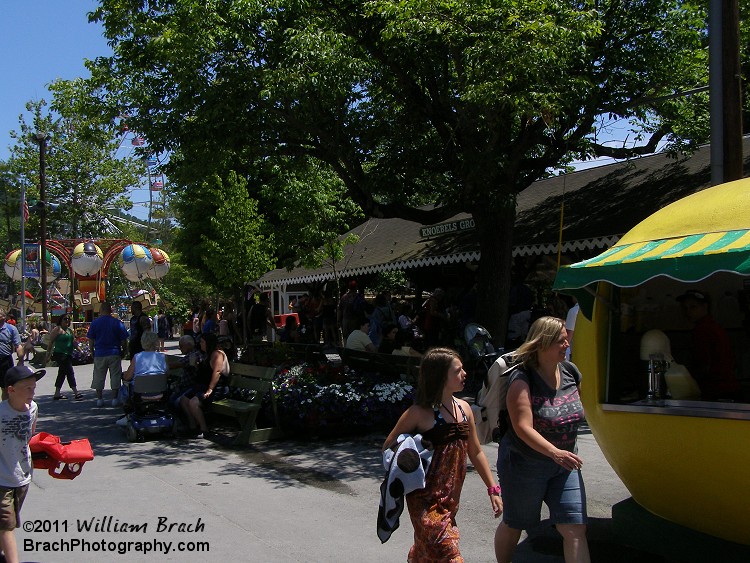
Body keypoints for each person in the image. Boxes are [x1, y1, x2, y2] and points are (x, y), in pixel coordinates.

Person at [383, 347, 502, 560]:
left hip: (450, 497)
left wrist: (492, 488)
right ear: (439, 377)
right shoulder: (419, 413)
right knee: (446, 549)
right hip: (423, 496)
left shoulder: (465, 409)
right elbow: (389, 447)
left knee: (428, 551)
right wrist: (412, 451)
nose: (464, 374)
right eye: (457, 371)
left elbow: (475, 452)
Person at [494, 316, 589, 563]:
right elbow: (522, 427)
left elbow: (578, 407)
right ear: (543, 344)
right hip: (524, 464)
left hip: (566, 464)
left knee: (575, 529)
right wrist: (553, 451)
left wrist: (561, 454)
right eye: (560, 341)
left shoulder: (571, 372)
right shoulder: (522, 379)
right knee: (516, 523)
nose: (567, 343)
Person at [0, 364, 43, 563]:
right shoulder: (1, 413)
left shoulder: (33, 408)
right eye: (27, 388)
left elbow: (29, 436)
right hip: (2, 477)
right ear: (11, 390)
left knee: (8, 523)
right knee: (6, 526)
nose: (32, 392)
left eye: (34, 388)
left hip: (22, 476)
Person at [677, 289, 741, 400]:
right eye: (685, 308)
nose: (688, 312)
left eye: (693, 307)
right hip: (726, 388)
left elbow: (703, 363)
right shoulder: (713, 327)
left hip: (717, 391)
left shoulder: (703, 330)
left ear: (705, 307)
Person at [180, 333, 230, 439]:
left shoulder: (217, 354)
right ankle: (193, 426)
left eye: (202, 341)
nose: (200, 343)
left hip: (217, 389)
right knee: (184, 400)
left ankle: (204, 429)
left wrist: (210, 389)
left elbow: (217, 372)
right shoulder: (207, 354)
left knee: (193, 402)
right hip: (204, 386)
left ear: (208, 343)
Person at [87, 301, 129, 408]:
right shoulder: (117, 322)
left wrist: (91, 350)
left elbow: (91, 339)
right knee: (115, 375)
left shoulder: (95, 323)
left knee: (99, 376)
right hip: (114, 352)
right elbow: (124, 340)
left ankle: (99, 399)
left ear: (101, 310)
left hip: (100, 352)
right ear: (110, 310)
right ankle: (114, 398)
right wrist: (124, 350)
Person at [45, 315, 83, 401]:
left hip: (68, 354)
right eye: (65, 319)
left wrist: (80, 350)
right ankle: (76, 393)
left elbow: (73, 342)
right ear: (61, 320)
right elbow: (50, 343)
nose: (67, 321)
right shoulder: (57, 329)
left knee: (62, 373)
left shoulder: (69, 331)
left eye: (69, 319)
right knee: (70, 372)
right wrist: (47, 355)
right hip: (60, 354)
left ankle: (57, 393)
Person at [0, 307, 25, 401]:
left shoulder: (11, 329)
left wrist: (21, 359)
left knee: (6, 388)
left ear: (4, 317)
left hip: (5, 361)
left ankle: (5, 411)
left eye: (1, 315)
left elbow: (18, 345)